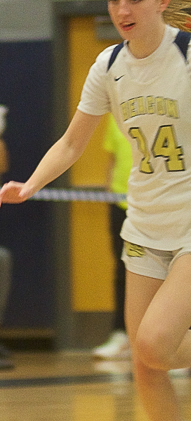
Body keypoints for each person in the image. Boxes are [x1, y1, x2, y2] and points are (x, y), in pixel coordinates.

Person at [0, 0, 191, 421]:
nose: (122, 9)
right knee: (144, 354)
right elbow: (73, 140)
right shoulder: (108, 66)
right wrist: (30, 184)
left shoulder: (188, 55)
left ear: (162, 2)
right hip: (144, 222)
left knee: (154, 342)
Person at [92, 114, 133, 360]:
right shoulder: (114, 116)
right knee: (121, 270)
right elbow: (112, 159)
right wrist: (109, 193)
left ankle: (178, 341)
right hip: (120, 202)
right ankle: (121, 334)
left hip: (156, 205)